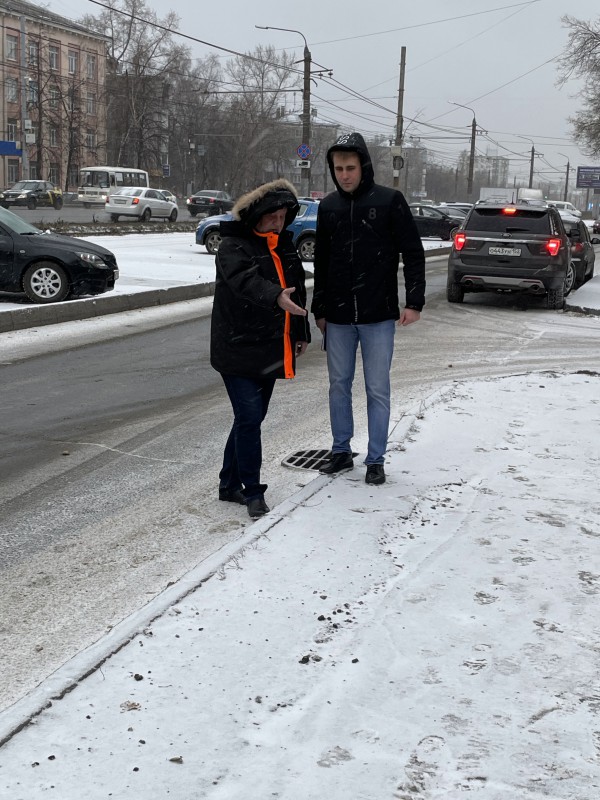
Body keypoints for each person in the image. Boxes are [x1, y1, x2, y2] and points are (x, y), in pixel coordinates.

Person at [311, 132, 426, 485]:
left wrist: (415, 301)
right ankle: (341, 451)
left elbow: (413, 250)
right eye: (338, 168)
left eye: (350, 167)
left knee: (377, 388)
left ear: (363, 166)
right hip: (340, 317)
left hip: (378, 315)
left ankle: (376, 459)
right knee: (338, 385)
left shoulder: (390, 201)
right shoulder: (328, 207)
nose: (344, 174)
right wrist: (320, 309)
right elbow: (322, 261)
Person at [211, 178, 310, 519]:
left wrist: (300, 332)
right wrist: (274, 295)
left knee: (249, 418)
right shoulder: (232, 245)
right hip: (235, 346)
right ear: (256, 214)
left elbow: (297, 292)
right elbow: (243, 280)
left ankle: (228, 484)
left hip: (269, 346)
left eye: (283, 216)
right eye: (272, 215)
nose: (278, 222)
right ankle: (252, 491)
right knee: (250, 418)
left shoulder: (284, 245)